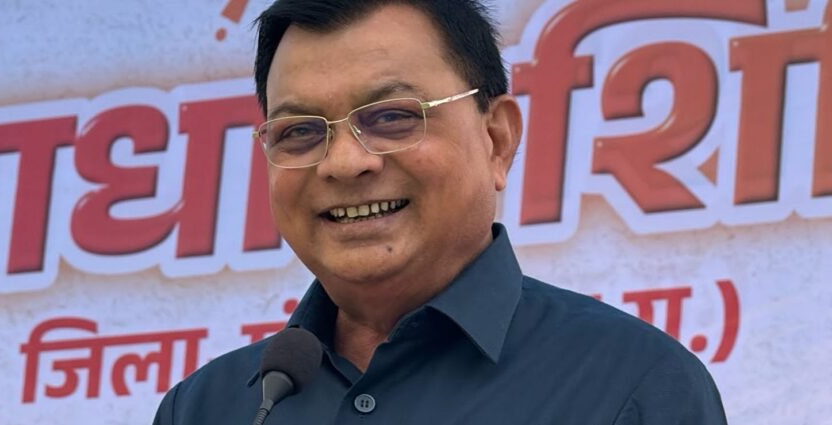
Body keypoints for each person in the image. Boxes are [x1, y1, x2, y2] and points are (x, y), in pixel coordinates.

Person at [153, 0, 727, 423]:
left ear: (497, 139)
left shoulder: (631, 384)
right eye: (300, 131)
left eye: (392, 117)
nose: (344, 163)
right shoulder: (207, 408)